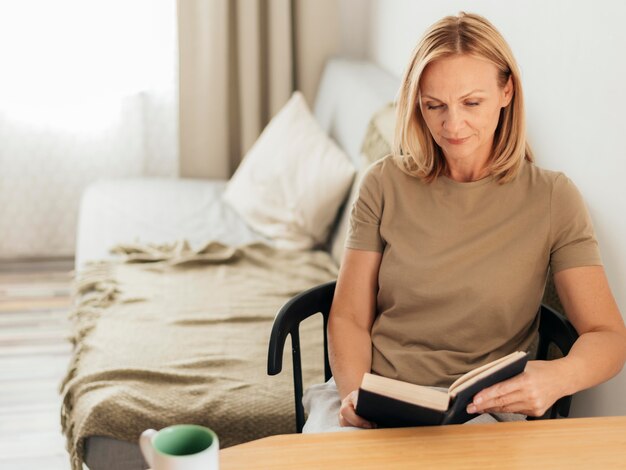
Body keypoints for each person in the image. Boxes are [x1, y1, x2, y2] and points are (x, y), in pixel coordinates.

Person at [302, 12, 626, 432]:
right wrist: (357, 395)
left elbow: (608, 336)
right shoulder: (383, 184)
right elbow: (347, 317)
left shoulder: (553, 198)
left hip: (479, 411)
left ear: (507, 91)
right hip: (375, 392)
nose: (452, 125)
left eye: (472, 103)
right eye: (434, 105)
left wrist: (558, 376)